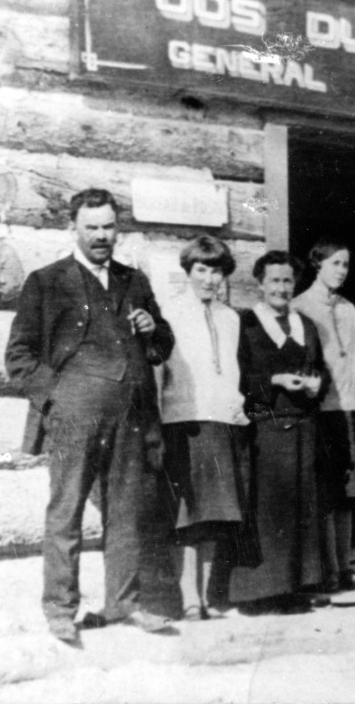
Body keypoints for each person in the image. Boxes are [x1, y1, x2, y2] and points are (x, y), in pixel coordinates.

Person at [4, 188, 176, 646]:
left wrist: (152, 328)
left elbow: (162, 347)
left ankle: (125, 602)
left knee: (127, 510)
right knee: (67, 510)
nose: (101, 236)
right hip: (73, 416)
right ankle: (61, 610)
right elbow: (19, 355)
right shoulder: (46, 281)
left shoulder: (133, 280)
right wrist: (56, 400)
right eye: (91, 228)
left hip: (130, 414)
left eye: (108, 227)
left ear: (117, 228)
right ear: (73, 229)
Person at [227, 250, 328, 613]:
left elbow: (320, 370)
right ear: (260, 283)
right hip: (264, 429)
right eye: (274, 280)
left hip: (303, 427)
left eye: (287, 281)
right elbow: (236, 378)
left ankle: (293, 589)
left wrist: (317, 385)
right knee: (268, 511)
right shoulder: (246, 324)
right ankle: (258, 594)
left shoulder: (308, 325)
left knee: (299, 510)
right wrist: (274, 379)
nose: (282, 288)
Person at [158, 236, 249, 620]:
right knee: (188, 514)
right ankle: (188, 598)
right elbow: (160, 372)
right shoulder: (170, 313)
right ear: (189, 272)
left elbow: (231, 372)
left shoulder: (230, 318)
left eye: (216, 271)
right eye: (201, 270)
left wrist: (236, 406)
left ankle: (212, 596)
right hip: (183, 422)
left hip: (221, 422)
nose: (209, 279)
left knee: (216, 514)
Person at [292, 238, 355, 593]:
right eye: (335, 264)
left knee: (349, 490)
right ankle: (327, 570)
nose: (342, 271)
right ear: (318, 265)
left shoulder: (349, 309)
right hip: (322, 411)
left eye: (345, 264)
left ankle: (344, 566)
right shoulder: (301, 306)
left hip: (350, 407)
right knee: (326, 491)